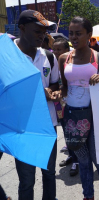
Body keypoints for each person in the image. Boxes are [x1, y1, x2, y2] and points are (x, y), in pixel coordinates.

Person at [57, 16, 99, 200]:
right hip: (73, 117)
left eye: (78, 33)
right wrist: (59, 95)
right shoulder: (63, 58)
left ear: (89, 35)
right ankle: (87, 196)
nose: (73, 37)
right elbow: (65, 86)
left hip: (97, 116)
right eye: (71, 33)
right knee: (82, 160)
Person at [14, 10, 60, 200]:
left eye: (44, 31)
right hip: (22, 128)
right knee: (27, 180)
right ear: (22, 28)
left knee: (49, 174)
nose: (42, 35)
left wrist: (54, 92)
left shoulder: (49, 57)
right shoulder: (8, 58)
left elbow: (55, 83)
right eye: (37, 31)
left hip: (48, 125)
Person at [52, 38, 79, 177]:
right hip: (58, 105)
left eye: (59, 49)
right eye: (54, 49)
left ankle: (77, 160)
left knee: (73, 133)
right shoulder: (51, 63)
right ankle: (71, 155)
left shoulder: (69, 65)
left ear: (66, 51)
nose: (55, 52)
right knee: (65, 132)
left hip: (71, 104)